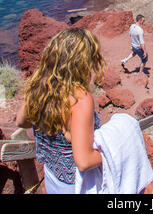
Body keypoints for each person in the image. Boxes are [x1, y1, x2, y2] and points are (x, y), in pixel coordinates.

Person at [16, 28, 106, 194]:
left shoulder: (41, 87)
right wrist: (115, 153)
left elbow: (21, 121)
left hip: (53, 177)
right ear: (83, 61)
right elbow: (84, 161)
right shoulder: (80, 99)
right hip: (79, 185)